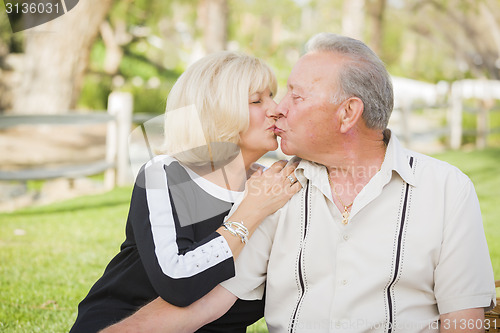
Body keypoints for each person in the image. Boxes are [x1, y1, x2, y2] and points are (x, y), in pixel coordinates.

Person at [101, 33, 497, 333]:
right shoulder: (275, 189)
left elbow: (463, 319)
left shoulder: (446, 189)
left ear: (347, 114)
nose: (279, 108)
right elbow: (204, 303)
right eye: (265, 98)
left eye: (294, 94)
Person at [69, 51, 301, 333]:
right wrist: (250, 212)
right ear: (217, 112)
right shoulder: (165, 174)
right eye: (256, 100)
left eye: (272, 96)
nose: (275, 108)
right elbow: (177, 281)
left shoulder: (274, 183)